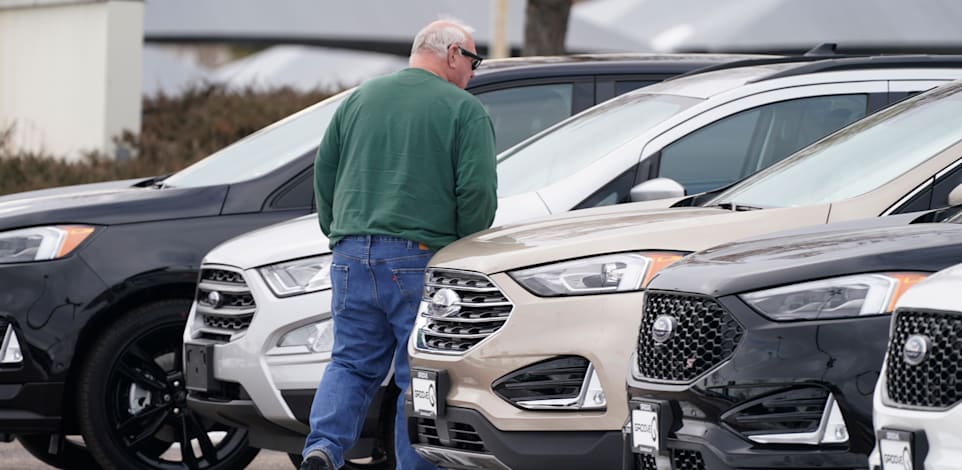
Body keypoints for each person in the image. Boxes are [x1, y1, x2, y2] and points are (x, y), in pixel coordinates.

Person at [300, 18, 498, 470]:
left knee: (350, 363)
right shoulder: (462, 109)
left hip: (350, 254)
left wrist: (339, 232)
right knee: (420, 375)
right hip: (420, 258)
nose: (473, 72)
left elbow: (324, 172)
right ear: (451, 55)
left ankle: (323, 449)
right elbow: (477, 194)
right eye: (472, 60)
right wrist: (461, 252)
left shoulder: (360, 99)